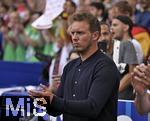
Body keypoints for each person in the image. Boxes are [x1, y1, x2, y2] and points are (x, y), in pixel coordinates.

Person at [29, 12, 120, 121]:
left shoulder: (106, 66)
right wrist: (43, 100)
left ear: (95, 35)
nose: (74, 38)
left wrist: (54, 100)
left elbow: (92, 107)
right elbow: (55, 110)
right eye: (72, 33)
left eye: (80, 33)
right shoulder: (69, 67)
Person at [111, 15, 139, 99]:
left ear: (126, 27)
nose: (112, 28)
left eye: (115, 25)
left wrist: (112, 93)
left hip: (125, 96)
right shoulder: (120, 44)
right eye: (111, 25)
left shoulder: (130, 44)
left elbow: (132, 73)